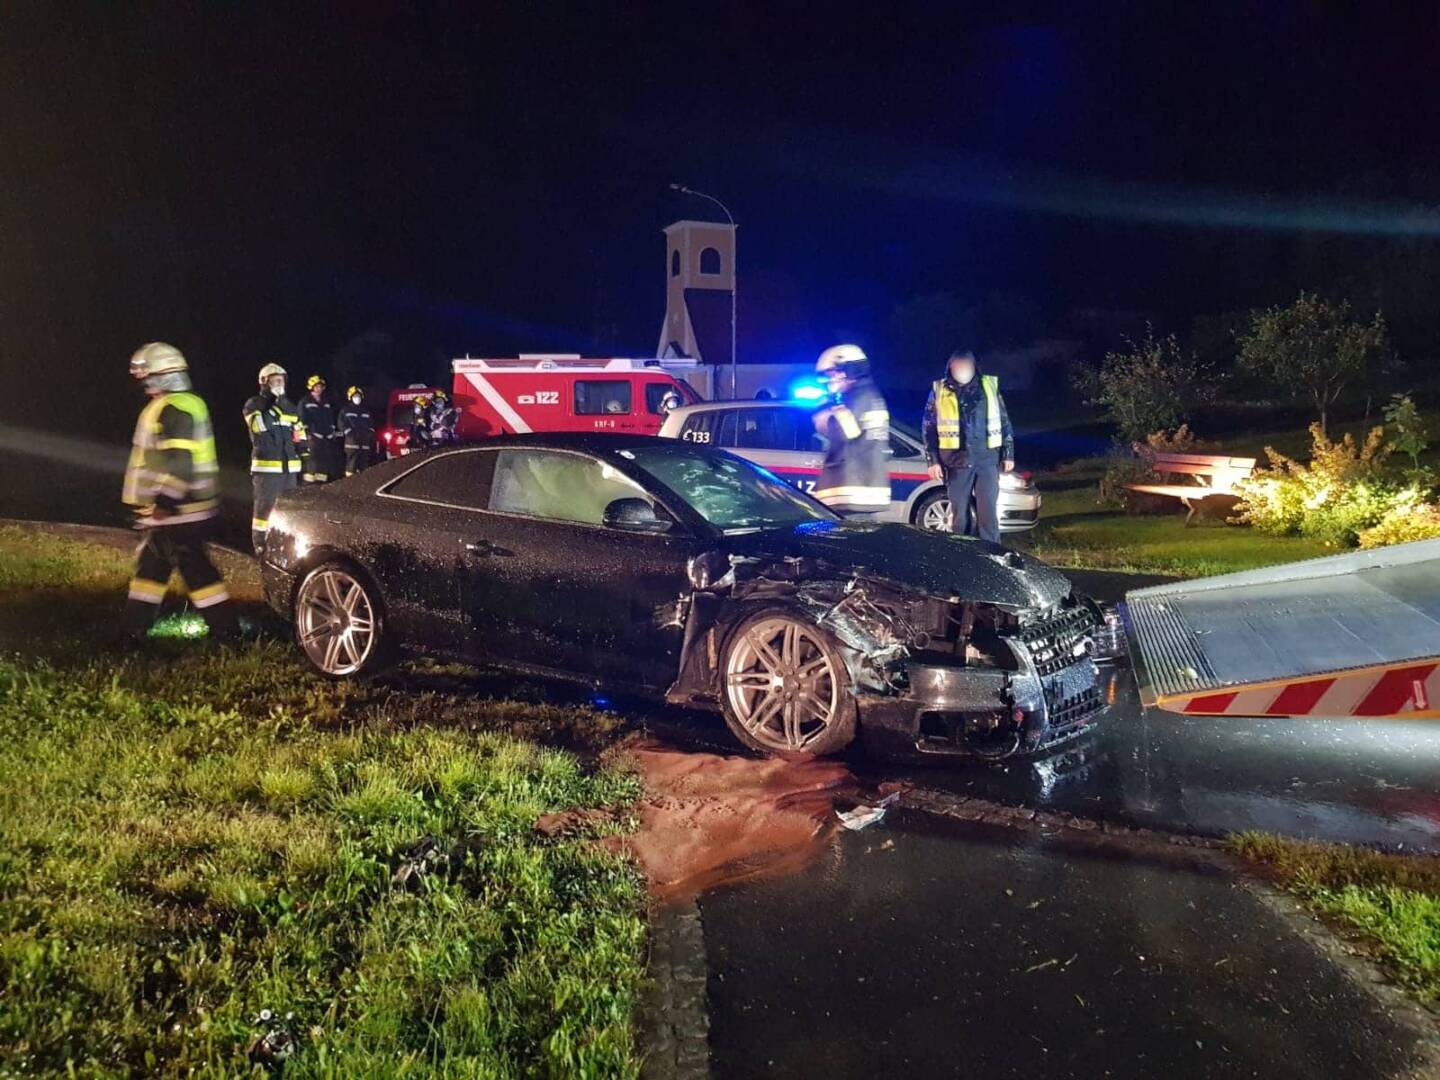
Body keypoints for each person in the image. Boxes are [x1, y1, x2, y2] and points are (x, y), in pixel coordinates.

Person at [121, 342, 237, 639]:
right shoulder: (174, 405)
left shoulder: (175, 408)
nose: (144, 383)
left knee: (196, 571)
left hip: (180, 512)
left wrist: (164, 501)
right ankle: (134, 628)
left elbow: (180, 461)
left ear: (163, 374)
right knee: (152, 569)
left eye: (147, 376)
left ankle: (226, 631)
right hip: (178, 511)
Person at [922, 348, 1015, 544]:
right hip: (956, 462)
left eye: (966, 366)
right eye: (958, 367)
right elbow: (928, 428)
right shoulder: (939, 391)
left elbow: (1004, 421)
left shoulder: (988, 387)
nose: (962, 370)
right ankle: (962, 555)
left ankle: (992, 554)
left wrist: (1008, 453)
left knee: (988, 512)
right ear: (950, 368)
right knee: (959, 516)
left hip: (987, 459)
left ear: (974, 367)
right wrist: (932, 461)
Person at [811, 344, 891, 517]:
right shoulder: (871, 395)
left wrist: (824, 413)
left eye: (833, 373)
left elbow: (844, 432)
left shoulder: (856, 398)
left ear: (849, 370)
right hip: (864, 488)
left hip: (850, 489)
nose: (831, 379)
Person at [243, 363, 303, 552]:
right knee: (265, 508)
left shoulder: (290, 407)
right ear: (264, 383)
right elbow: (259, 427)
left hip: (289, 470)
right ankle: (260, 544)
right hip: (267, 469)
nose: (280, 383)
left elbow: (299, 434)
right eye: (275, 380)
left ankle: (284, 544)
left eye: (282, 380)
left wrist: (305, 453)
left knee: (289, 509)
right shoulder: (254, 404)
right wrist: (276, 409)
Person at [298, 375, 343, 483]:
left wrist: (332, 431)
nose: (319, 389)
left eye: (321, 387)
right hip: (313, 436)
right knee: (312, 460)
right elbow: (301, 419)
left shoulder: (326, 402)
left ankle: (320, 484)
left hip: (326, 437)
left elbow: (330, 418)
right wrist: (307, 434)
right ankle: (308, 484)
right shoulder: (305, 402)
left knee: (323, 462)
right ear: (311, 387)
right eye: (317, 386)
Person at [339, 385, 375, 476]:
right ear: (350, 397)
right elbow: (341, 424)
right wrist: (350, 433)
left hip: (364, 444)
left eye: (358, 396)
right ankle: (349, 484)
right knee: (351, 466)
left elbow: (371, 425)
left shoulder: (365, 411)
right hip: (352, 444)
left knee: (364, 466)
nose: (357, 398)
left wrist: (369, 434)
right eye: (355, 396)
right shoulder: (345, 410)